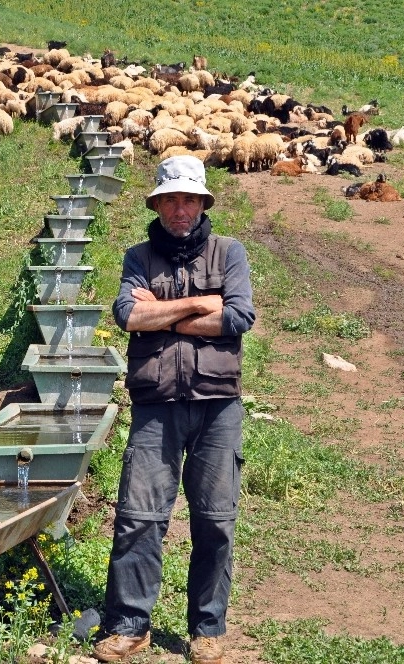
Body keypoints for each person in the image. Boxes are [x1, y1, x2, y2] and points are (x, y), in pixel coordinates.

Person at [93, 156, 255, 664]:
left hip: (217, 407)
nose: (180, 208)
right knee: (138, 516)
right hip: (155, 407)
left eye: (190, 199)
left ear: (203, 203)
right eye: (171, 198)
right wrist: (198, 304)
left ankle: (207, 629)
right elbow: (128, 314)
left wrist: (162, 317)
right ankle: (129, 626)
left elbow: (239, 316)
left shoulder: (230, 252)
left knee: (215, 519)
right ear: (157, 203)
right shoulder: (137, 256)